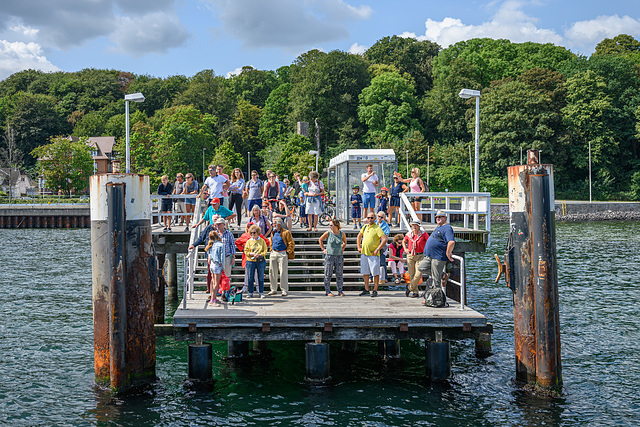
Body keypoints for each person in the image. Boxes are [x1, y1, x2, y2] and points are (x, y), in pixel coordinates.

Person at [419, 210, 455, 290]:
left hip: (438, 257)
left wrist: (448, 253)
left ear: (445, 218)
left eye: (440, 217)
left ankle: (436, 300)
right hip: (429, 255)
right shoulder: (439, 226)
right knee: (421, 267)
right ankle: (443, 275)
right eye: (436, 217)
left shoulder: (447, 228)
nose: (438, 218)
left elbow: (451, 242)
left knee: (436, 281)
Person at [357, 212, 388, 297]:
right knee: (365, 272)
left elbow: (384, 239)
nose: (370, 219)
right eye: (368, 218)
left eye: (371, 218)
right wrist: (358, 247)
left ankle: (375, 289)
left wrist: (378, 249)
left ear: (375, 218)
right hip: (364, 253)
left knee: (375, 272)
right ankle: (366, 289)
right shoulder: (365, 227)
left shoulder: (377, 228)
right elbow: (359, 236)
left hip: (373, 254)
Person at [318, 219, 347, 296]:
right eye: (329, 225)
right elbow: (320, 240)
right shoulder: (328, 233)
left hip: (339, 256)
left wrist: (343, 248)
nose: (330, 227)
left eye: (331, 225)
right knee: (328, 273)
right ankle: (328, 291)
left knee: (339, 274)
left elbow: (344, 241)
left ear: (336, 225)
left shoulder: (341, 233)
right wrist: (323, 249)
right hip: (330, 255)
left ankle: (340, 290)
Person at [268, 218, 295, 296]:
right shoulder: (273, 232)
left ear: (278, 224)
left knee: (283, 272)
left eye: (274, 223)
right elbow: (271, 242)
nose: (273, 225)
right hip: (274, 252)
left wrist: (287, 252)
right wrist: (271, 250)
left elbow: (291, 243)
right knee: (272, 272)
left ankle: (284, 289)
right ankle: (273, 289)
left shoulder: (286, 232)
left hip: (282, 253)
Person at [402, 219, 429, 298]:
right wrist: (405, 249)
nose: (414, 226)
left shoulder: (423, 234)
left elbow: (429, 241)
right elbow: (404, 241)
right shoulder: (409, 234)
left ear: (419, 226)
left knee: (418, 273)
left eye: (416, 225)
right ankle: (415, 292)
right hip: (410, 255)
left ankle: (409, 287)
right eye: (413, 225)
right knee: (412, 274)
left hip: (420, 255)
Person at [244, 224, 268, 298]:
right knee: (250, 277)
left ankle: (261, 292)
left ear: (257, 232)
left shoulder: (262, 241)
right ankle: (250, 292)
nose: (253, 234)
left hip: (260, 260)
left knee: (260, 277)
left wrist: (259, 255)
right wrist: (251, 254)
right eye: (251, 233)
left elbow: (265, 251)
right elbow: (246, 251)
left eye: (254, 232)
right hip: (250, 261)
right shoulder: (249, 241)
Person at [204, 230, 224, 305]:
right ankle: (213, 299)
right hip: (217, 265)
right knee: (216, 283)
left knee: (212, 281)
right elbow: (222, 258)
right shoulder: (221, 245)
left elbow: (209, 258)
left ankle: (213, 297)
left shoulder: (210, 245)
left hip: (212, 265)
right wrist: (223, 267)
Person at [376, 211, 391, 282]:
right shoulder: (373, 223)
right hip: (374, 245)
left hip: (382, 246)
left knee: (382, 262)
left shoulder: (386, 226)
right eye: (379, 216)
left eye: (381, 217)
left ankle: (385, 277)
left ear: (384, 218)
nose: (380, 218)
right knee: (372, 262)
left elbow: (386, 237)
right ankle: (371, 277)